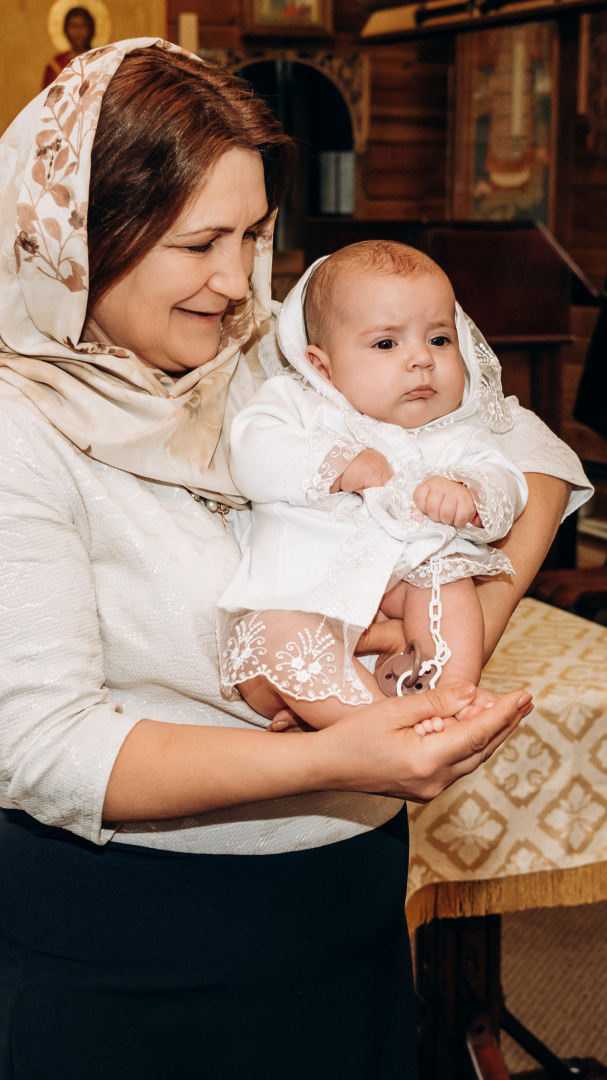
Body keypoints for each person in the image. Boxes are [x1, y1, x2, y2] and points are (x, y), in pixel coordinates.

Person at [0, 40, 591, 1079]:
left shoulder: (265, 349)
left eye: (254, 235)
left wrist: (453, 600)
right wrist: (335, 756)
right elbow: (47, 746)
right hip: (143, 930)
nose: (238, 278)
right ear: (87, 234)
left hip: (349, 889)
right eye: (200, 242)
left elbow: (525, 450)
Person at [220, 241, 526, 733]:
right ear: (321, 366)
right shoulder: (300, 404)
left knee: (445, 573)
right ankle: (381, 727)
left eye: (440, 340)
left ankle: (448, 696)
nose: (421, 360)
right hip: (303, 602)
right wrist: (337, 463)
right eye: (387, 343)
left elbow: (508, 481)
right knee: (278, 635)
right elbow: (251, 451)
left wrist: (469, 491)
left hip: (398, 620)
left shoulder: (453, 432)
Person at [41, 6, 96, 88]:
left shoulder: (99, 61)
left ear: (90, 29)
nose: (78, 32)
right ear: (66, 30)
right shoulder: (56, 65)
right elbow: (46, 98)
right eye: (73, 26)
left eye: (82, 26)